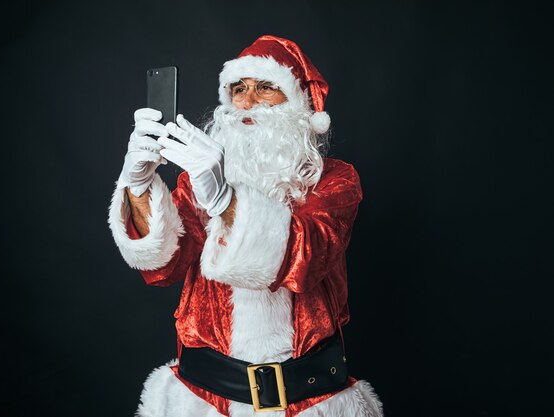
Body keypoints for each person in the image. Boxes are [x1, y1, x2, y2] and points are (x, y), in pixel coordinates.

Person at [108, 35, 383, 417]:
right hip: (203, 400)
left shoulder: (334, 180)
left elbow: (307, 257)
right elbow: (162, 265)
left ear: (299, 104)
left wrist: (224, 201)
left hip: (308, 401)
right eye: (238, 89)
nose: (248, 101)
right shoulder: (198, 180)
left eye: (266, 88)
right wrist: (137, 185)